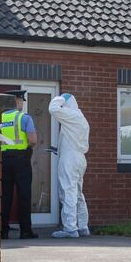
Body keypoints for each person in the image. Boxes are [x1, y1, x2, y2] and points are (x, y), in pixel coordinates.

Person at [48, 93, 90, 238]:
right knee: (77, 193)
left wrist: (61, 98)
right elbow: (71, 139)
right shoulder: (81, 119)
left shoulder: (72, 115)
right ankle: (83, 226)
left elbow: (53, 109)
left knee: (68, 192)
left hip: (70, 159)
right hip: (79, 158)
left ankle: (70, 228)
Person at [0, 89, 38, 240]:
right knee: (24, 195)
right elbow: (33, 140)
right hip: (21, 160)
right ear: (17, 100)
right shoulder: (24, 117)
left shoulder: (0, 117)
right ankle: (25, 231)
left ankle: (3, 230)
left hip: (4, 159)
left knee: (4, 195)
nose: (22, 103)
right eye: (21, 100)